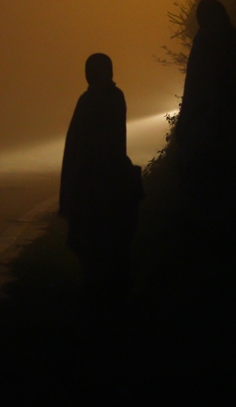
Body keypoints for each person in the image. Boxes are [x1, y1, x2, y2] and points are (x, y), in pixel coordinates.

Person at [59, 53, 139, 293]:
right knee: (114, 243)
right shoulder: (116, 97)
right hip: (113, 179)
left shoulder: (89, 100)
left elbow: (79, 145)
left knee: (92, 242)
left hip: (92, 182)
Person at [174, 0, 236, 200]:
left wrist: (185, 126)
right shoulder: (235, 42)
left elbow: (195, 91)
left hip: (214, 131)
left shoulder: (206, 44)